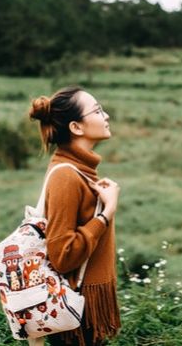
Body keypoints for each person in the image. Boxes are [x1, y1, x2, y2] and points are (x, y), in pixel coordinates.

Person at [27, 86, 121, 346]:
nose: (106, 116)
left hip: (83, 310)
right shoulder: (66, 176)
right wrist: (106, 214)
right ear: (76, 127)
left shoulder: (82, 171)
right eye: (98, 110)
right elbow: (62, 255)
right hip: (75, 313)